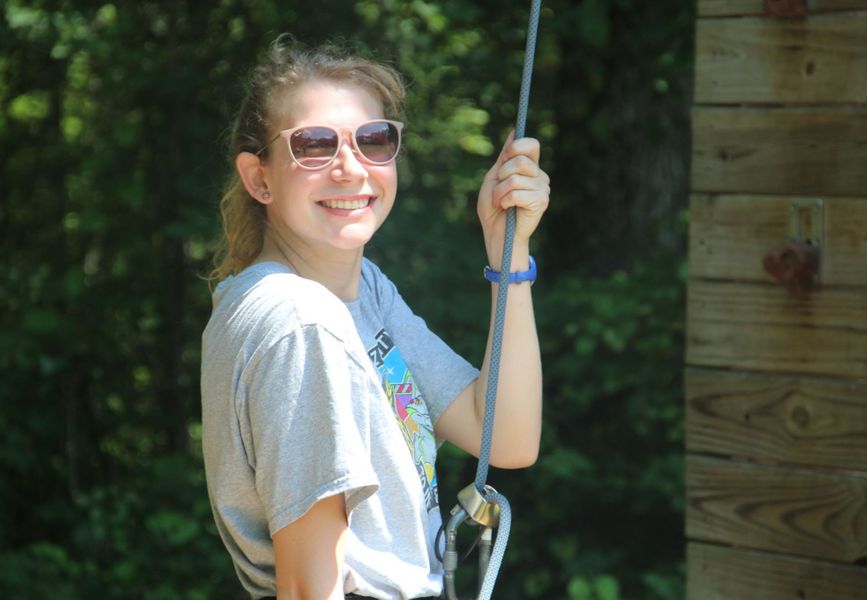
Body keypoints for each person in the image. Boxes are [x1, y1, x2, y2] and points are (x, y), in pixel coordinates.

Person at [201, 35, 549, 600]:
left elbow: (504, 436)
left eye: (373, 140)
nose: (348, 168)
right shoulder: (301, 322)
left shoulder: (362, 293)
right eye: (314, 145)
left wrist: (506, 247)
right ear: (259, 177)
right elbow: (308, 589)